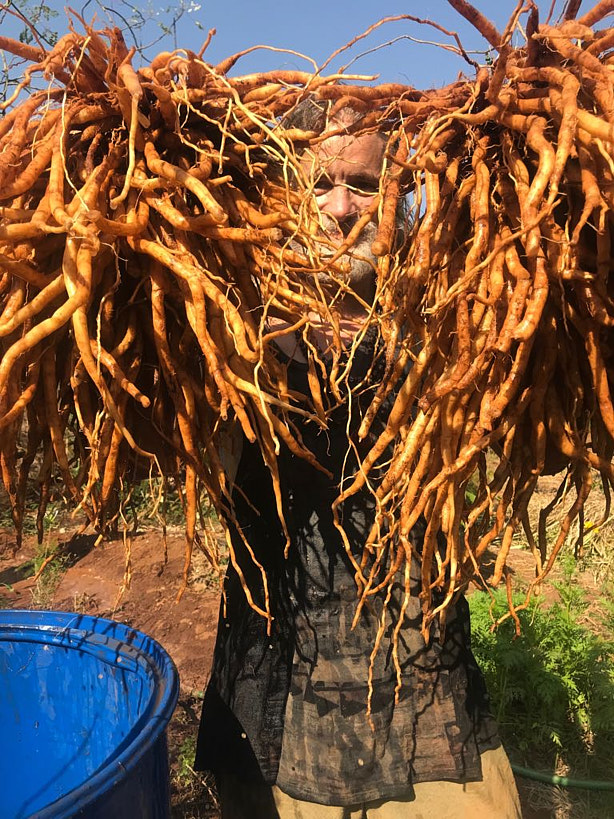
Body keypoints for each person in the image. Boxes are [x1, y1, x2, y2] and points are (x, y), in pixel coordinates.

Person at [194, 99, 522, 819]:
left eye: (366, 185)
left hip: (424, 701)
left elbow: (549, 444)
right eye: (317, 183)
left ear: (398, 197)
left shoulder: (451, 318)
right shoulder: (225, 324)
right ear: (279, 196)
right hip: (277, 700)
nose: (341, 208)